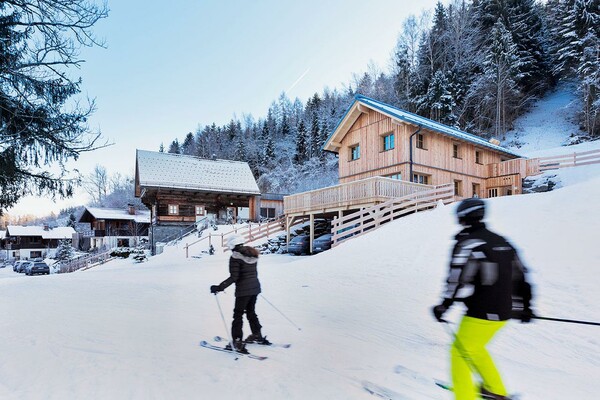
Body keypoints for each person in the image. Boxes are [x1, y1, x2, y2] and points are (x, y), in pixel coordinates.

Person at [432, 198, 534, 400]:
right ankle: (496, 391)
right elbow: (521, 275)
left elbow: (457, 277)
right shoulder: (502, 241)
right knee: (475, 348)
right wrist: (524, 306)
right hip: (503, 311)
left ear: (463, 218)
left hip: (480, 312)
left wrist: (444, 305)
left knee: (459, 352)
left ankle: (466, 397)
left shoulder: (468, 243)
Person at [210, 234, 270, 353]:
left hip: (243, 291)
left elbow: (234, 277)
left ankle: (237, 342)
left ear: (232, 245)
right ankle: (257, 335)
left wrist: (219, 287)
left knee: (238, 315)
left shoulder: (235, 257)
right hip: (255, 288)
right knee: (251, 312)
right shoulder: (252, 254)